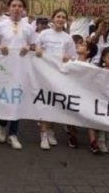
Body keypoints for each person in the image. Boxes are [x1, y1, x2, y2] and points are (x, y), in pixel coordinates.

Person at [0, 0, 36, 150]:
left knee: (18, 99)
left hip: (21, 69)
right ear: (9, 8)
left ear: (23, 9)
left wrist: (29, 47)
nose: (16, 8)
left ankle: (13, 134)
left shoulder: (29, 27)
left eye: (19, 6)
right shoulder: (0, 25)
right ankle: (3, 126)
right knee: (6, 98)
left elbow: (34, 45)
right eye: (13, 5)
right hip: (5, 69)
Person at [35, 8, 77, 150]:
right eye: (58, 16)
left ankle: (51, 130)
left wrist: (68, 58)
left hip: (60, 75)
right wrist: (38, 50)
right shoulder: (44, 34)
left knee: (55, 103)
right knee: (46, 103)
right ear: (53, 18)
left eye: (63, 17)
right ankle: (43, 134)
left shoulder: (68, 38)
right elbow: (36, 49)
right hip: (45, 73)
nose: (60, 19)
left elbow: (74, 57)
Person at [67, 38, 97, 149]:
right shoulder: (71, 62)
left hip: (85, 95)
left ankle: (93, 141)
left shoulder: (92, 68)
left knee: (89, 116)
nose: (78, 45)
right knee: (71, 115)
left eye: (82, 45)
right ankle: (73, 136)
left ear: (88, 51)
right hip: (71, 93)